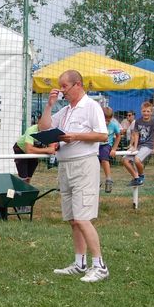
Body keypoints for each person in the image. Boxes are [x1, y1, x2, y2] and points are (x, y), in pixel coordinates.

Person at [39, 69, 109, 283]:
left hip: (84, 165)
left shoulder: (91, 107)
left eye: (64, 87)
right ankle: (80, 263)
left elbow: (102, 135)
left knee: (82, 217)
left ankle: (100, 266)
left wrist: (75, 136)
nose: (62, 91)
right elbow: (44, 128)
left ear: (77, 85)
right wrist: (50, 105)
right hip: (65, 165)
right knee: (72, 219)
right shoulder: (66, 110)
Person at [122, 101, 154, 186]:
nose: (146, 113)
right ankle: (136, 178)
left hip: (148, 145)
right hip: (139, 145)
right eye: (144, 111)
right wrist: (134, 146)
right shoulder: (138, 121)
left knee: (137, 160)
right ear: (141, 111)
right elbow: (136, 134)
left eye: (148, 111)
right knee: (125, 160)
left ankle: (141, 176)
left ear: (151, 112)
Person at [99, 107, 121, 193]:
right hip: (96, 145)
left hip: (106, 145)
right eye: (105, 120)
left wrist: (114, 148)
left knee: (104, 158)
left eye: (108, 120)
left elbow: (118, 135)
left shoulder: (113, 125)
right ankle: (96, 180)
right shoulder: (97, 124)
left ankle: (108, 179)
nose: (106, 122)